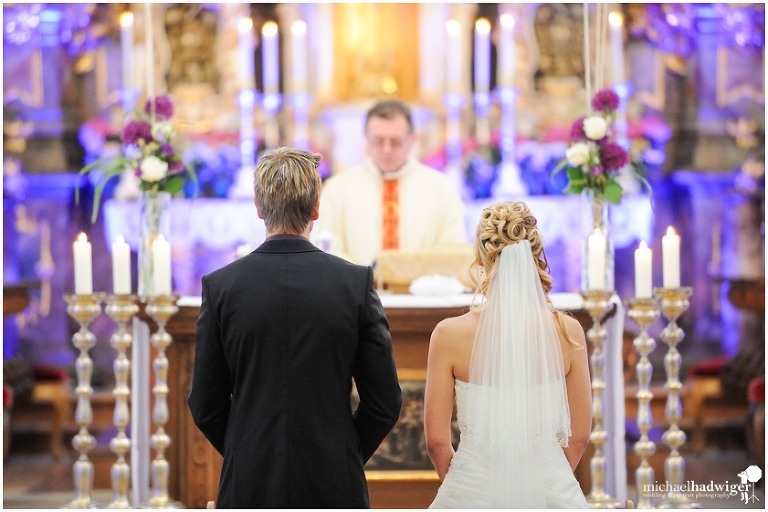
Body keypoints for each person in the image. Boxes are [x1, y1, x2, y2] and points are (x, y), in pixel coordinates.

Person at [188, 147, 402, 508]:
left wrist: (248, 452)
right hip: (334, 480)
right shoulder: (354, 284)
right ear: (316, 208)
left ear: (258, 208)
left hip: (250, 481)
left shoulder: (221, 287)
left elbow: (205, 404)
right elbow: (384, 403)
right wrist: (342, 453)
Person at [423, 201, 592, 508]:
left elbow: (436, 441)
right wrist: (546, 483)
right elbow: (580, 434)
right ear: (535, 256)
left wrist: (467, 485)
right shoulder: (568, 332)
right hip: (550, 494)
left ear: (480, 259)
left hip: (471, 493)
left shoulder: (447, 336)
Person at [316, 99, 467, 266]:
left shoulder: (441, 188)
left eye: (396, 141)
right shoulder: (338, 189)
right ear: (366, 138)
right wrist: (363, 277)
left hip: (420, 290)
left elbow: (453, 248)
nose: (386, 149)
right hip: (355, 289)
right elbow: (326, 247)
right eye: (379, 141)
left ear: (412, 139)